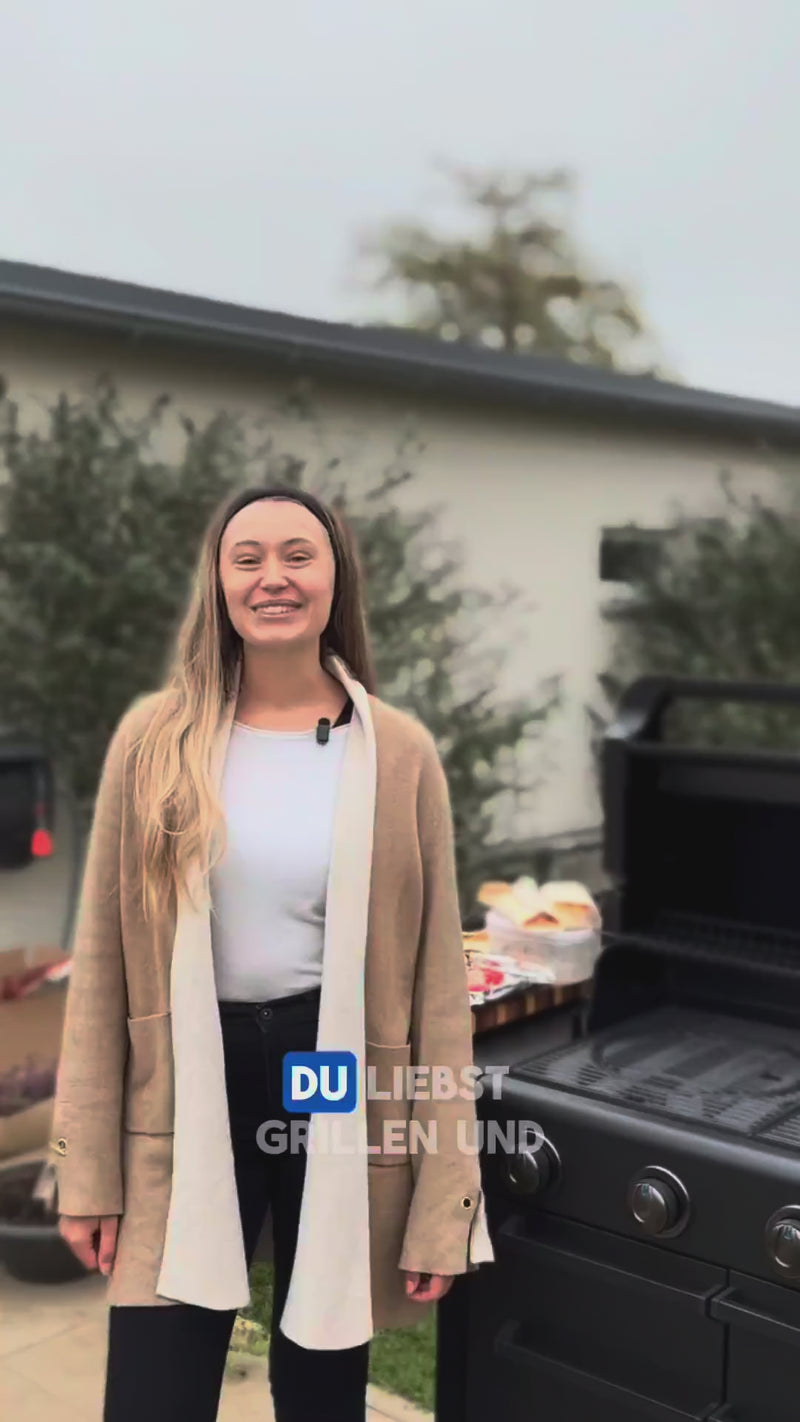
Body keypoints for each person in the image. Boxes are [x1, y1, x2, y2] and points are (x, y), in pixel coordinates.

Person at [51, 484, 494, 1422]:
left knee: (322, 1369)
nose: (273, 577)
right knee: (156, 1382)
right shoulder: (155, 740)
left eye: (299, 554)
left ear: (336, 577)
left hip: (323, 1068)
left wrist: (445, 1198)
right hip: (190, 1072)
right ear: (218, 583)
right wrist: (84, 1168)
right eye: (247, 558)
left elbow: (436, 992)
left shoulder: (398, 752)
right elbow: (101, 966)